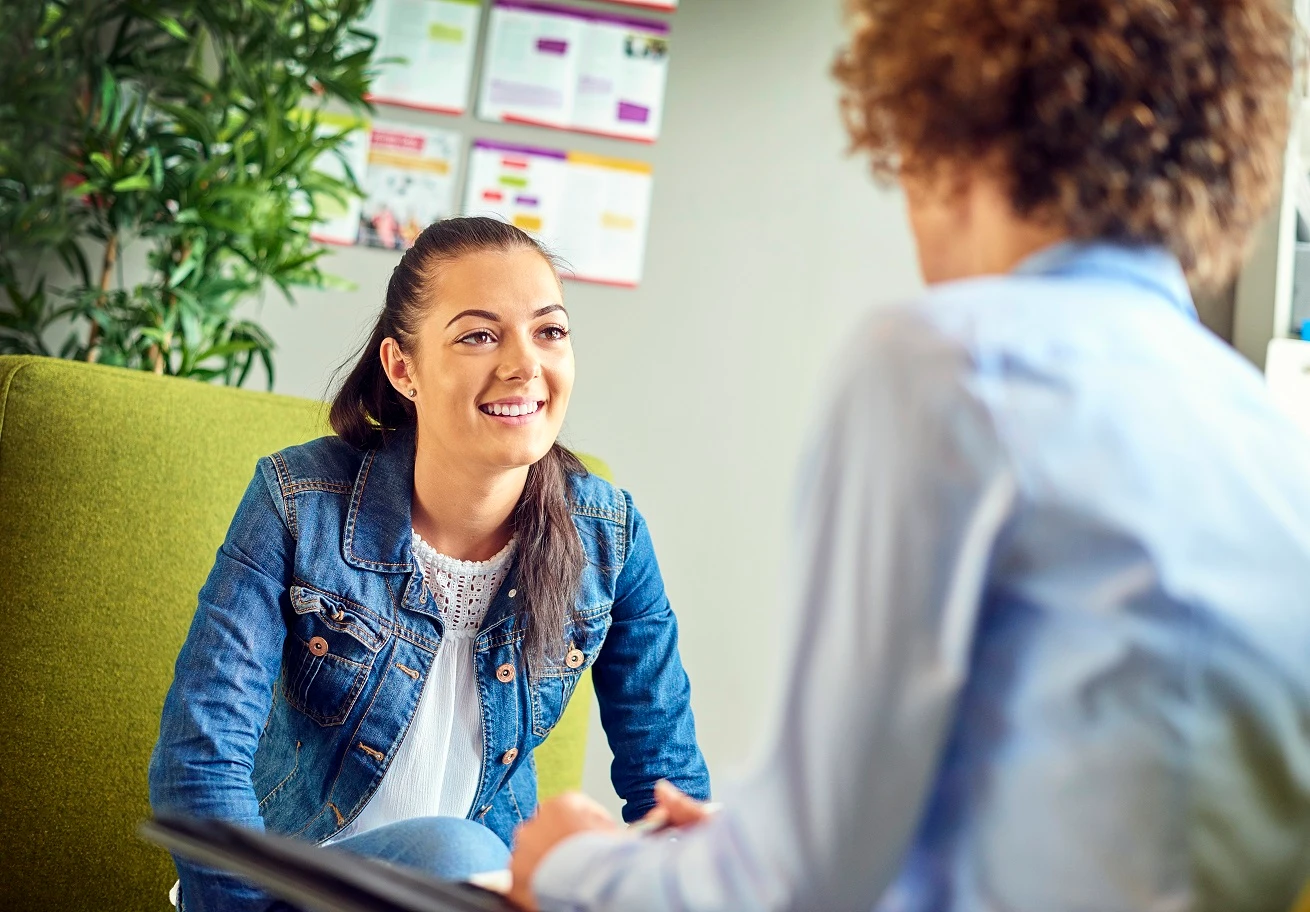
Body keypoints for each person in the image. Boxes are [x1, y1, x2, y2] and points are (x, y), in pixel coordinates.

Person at [506, 1, 1310, 910]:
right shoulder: (1276, 443)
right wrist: (743, 842)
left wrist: (569, 863)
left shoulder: (951, 363)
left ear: (948, 126)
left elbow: (792, 889)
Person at [148, 216, 710, 912]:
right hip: (291, 892)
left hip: (476, 894)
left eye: (549, 330)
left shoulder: (610, 538)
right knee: (457, 853)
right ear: (402, 368)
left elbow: (667, 788)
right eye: (478, 336)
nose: (524, 365)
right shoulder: (298, 502)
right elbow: (199, 759)